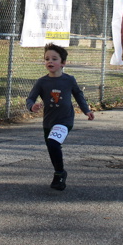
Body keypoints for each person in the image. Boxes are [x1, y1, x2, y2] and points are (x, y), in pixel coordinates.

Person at [25, 43, 95, 189]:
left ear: (63, 63)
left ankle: (59, 175)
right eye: (47, 59)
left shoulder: (69, 80)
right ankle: (60, 172)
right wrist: (32, 106)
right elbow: (30, 99)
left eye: (54, 59)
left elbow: (78, 95)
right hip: (48, 121)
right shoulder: (42, 82)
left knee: (53, 143)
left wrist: (86, 110)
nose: (50, 61)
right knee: (52, 148)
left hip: (65, 120)